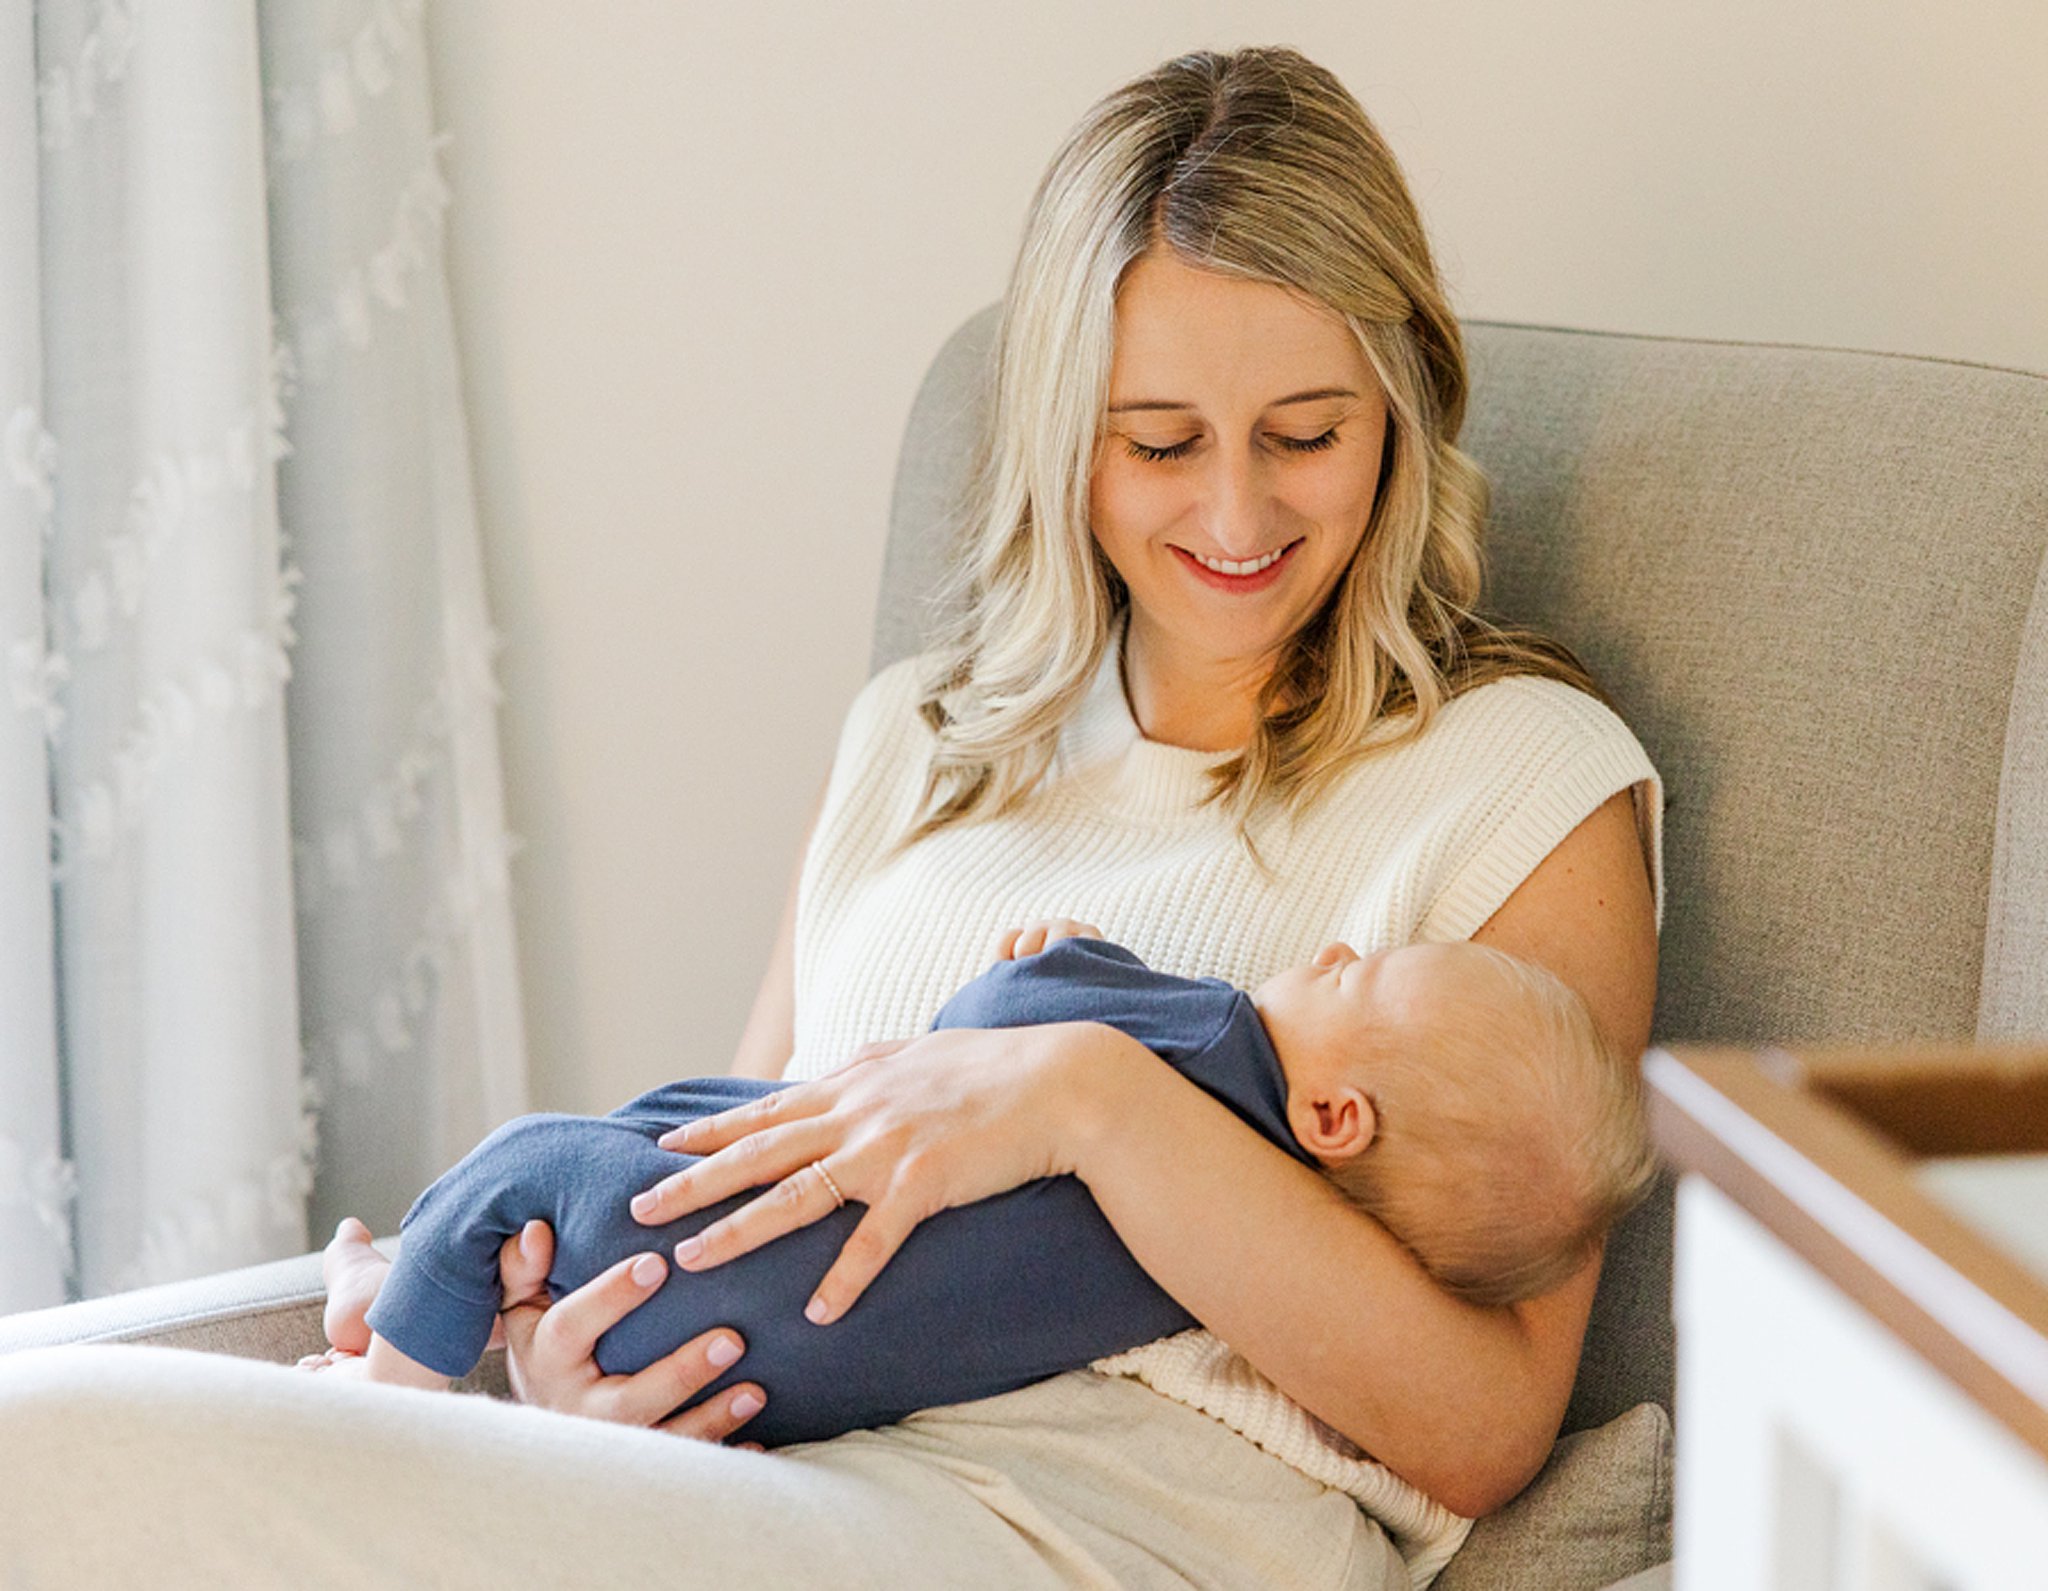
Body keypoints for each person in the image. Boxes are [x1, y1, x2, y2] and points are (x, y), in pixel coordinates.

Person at [0, 46, 1661, 1590]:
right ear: (1057, 444)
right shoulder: (918, 743)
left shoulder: (1519, 779)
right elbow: (736, 1157)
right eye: (1159, 443)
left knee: (51, 1450)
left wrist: (1096, 1097)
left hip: (1112, 1529)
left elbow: (1487, 1424)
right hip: (763, 1476)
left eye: (1306, 434)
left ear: (1405, 409)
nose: (1236, 510)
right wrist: (576, 1383)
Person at [306, 924, 1654, 1453]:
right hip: (770, 1394)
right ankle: (421, 1308)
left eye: (1358, 976)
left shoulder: (1205, 1059)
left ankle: (388, 1391)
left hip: (704, 1277)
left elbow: (1003, 1027)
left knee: (540, 1161)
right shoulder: (1220, 1251)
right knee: (649, 1137)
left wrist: (1056, 958)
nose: (1341, 944)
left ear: (1334, 1115)